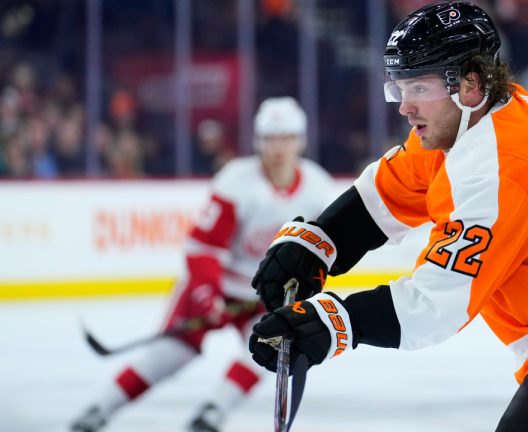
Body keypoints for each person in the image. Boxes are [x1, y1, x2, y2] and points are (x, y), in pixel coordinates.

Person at [248, 3, 528, 432]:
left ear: (469, 83)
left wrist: (332, 323)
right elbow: (392, 189)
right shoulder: (484, 115)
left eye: (419, 88)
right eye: (400, 88)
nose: (405, 106)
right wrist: (318, 241)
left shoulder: (497, 167)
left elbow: (436, 304)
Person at [71, 97, 336, 432]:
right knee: (171, 354)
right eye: (271, 138)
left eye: (286, 137)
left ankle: (211, 414)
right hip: (217, 284)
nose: (279, 147)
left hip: (264, 294)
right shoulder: (236, 182)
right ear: (258, 141)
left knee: (268, 347)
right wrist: (207, 295)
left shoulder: (318, 187)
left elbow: (318, 252)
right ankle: (99, 410)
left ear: (301, 140)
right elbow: (203, 249)